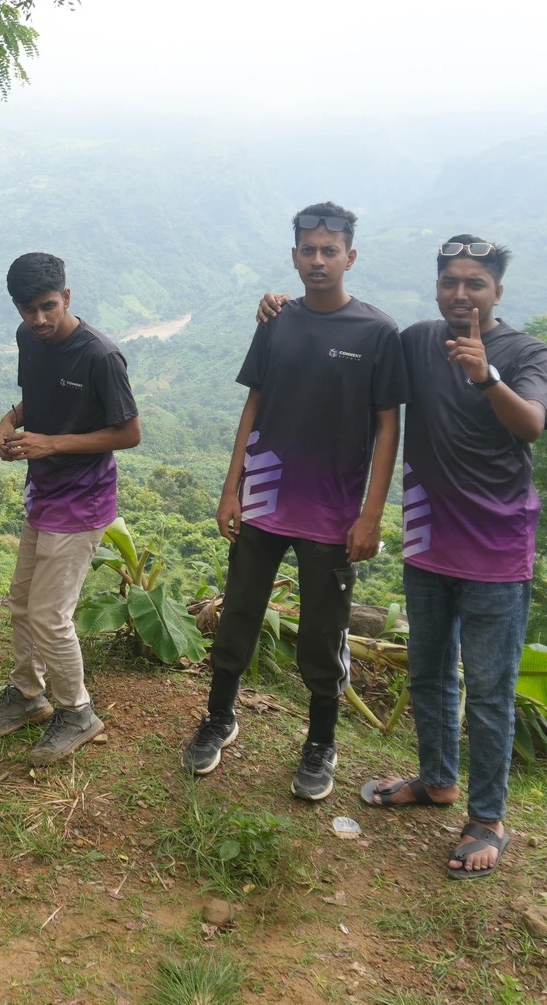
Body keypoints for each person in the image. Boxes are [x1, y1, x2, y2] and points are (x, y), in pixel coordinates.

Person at [336, 236, 547, 879]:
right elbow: (357, 340)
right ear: (437, 288)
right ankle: (436, 781)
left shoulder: (526, 353)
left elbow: (532, 423)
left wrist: (486, 376)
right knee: (428, 672)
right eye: (450, 282)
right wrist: (281, 308)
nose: (462, 294)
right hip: (429, 540)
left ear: (497, 292)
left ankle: (488, 818)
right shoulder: (419, 341)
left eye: (475, 283)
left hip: (496, 550)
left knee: (489, 691)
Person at [186, 202, 404, 802]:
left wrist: (371, 514)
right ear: (294, 256)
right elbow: (254, 402)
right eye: (308, 250)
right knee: (239, 613)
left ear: (350, 257)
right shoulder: (276, 321)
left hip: (333, 512)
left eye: (329, 250)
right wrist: (231, 487)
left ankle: (320, 742)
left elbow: (389, 426)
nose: (317, 260)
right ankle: (219, 717)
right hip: (263, 497)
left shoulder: (377, 333)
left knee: (323, 633)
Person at [0, 252, 141, 766]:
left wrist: (51, 444)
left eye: (48, 306)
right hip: (44, 491)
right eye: (28, 309)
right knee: (22, 600)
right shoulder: (29, 338)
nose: (39, 319)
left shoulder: (100, 356)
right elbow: (36, 396)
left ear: (67, 297)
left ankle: (77, 713)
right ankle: (28, 695)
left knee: (50, 615)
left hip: (84, 498)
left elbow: (129, 433)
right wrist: (11, 420)